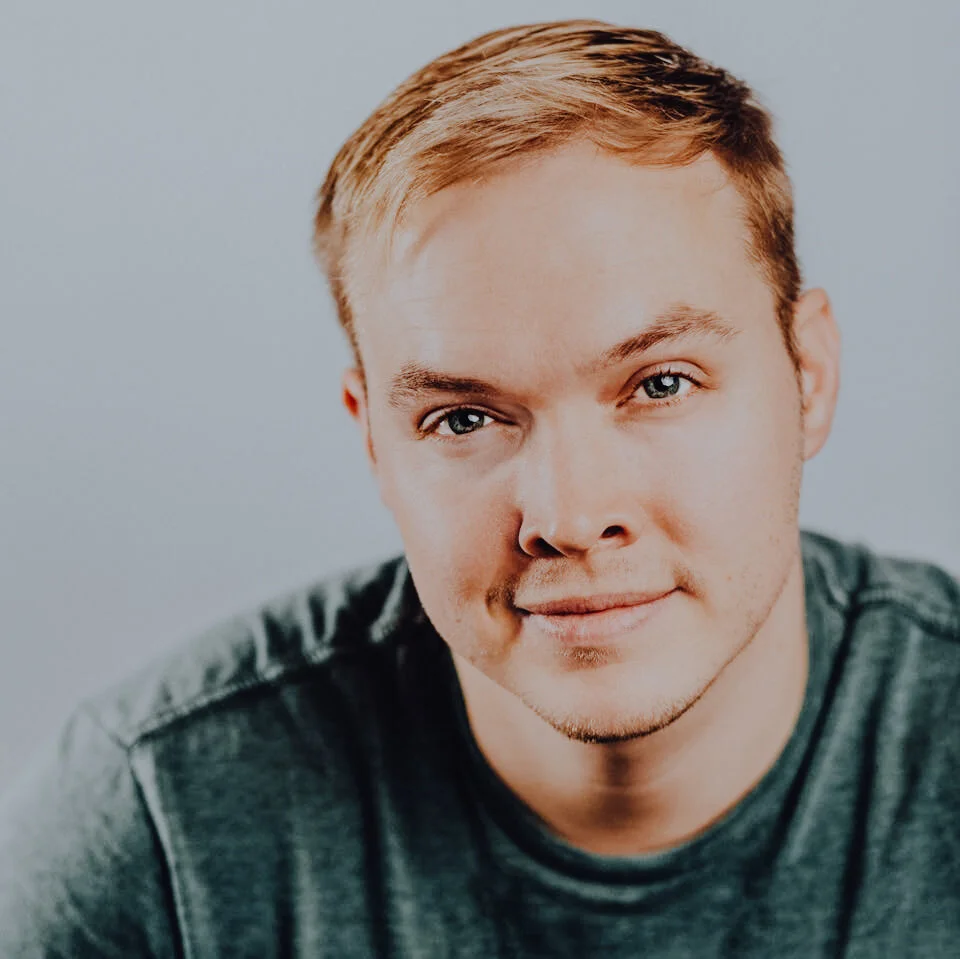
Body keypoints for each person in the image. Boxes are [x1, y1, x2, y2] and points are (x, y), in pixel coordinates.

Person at [2, 17, 958, 958]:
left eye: (661, 384)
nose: (573, 517)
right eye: (463, 418)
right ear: (374, 440)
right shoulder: (160, 829)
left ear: (809, 376)